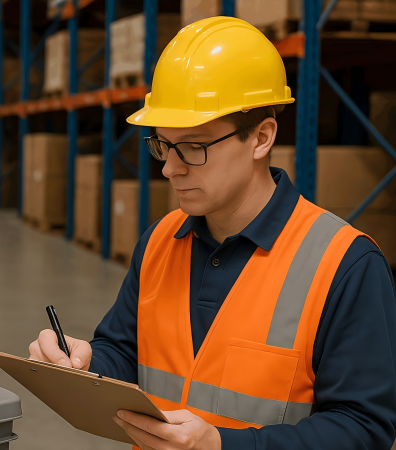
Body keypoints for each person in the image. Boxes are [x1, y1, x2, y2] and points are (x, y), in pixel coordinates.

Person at [29, 17, 396, 449]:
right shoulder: (160, 241)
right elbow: (126, 351)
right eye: (163, 144)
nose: (169, 168)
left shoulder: (344, 266)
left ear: (261, 138)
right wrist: (90, 363)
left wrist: (223, 445)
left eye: (193, 147)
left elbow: (363, 429)